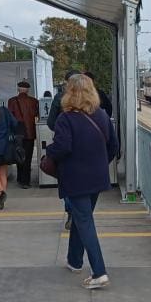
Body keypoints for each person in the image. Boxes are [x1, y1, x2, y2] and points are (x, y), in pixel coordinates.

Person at [46, 74, 119, 290]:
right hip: (97, 177)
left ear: (70, 92)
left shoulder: (65, 119)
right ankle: (74, 260)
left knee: (84, 220)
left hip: (75, 177)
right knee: (81, 217)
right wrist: (99, 163)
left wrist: (48, 153)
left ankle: (99, 272)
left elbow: (62, 148)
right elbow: (114, 146)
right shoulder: (103, 116)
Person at [48, 70, 80, 230]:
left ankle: (71, 212)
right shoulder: (90, 97)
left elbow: (50, 122)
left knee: (66, 181)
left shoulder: (59, 98)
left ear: (67, 82)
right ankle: (82, 212)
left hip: (64, 147)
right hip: (85, 147)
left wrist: (61, 130)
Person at [7, 80, 39, 189]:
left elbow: (10, 118)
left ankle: (20, 178)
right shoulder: (34, 101)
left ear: (18, 89)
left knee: (18, 155)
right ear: (28, 90)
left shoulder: (12, 101)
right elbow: (37, 115)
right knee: (28, 157)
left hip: (18, 133)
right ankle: (26, 181)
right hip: (29, 133)